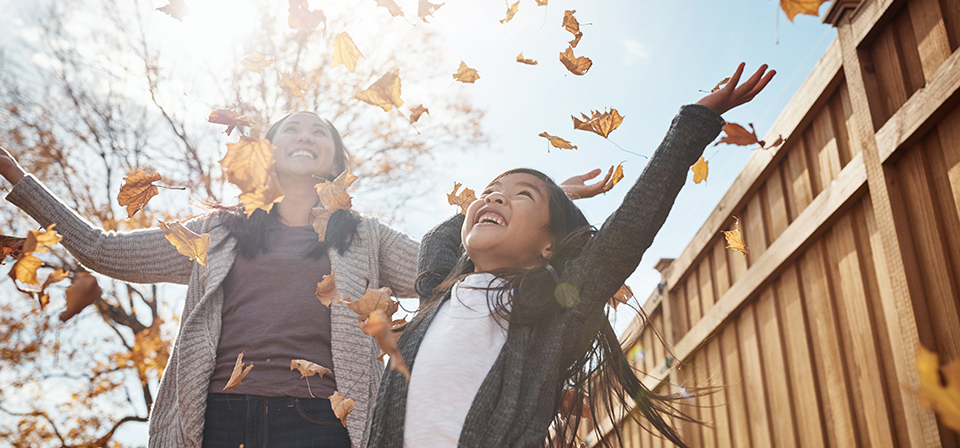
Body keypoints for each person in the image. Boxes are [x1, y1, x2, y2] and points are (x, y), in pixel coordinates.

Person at [0, 110, 613, 448]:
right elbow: (103, 250)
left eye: (321, 131)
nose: (305, 135)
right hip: (215, 416)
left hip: (325, 425)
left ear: (336, 163)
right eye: (291, 128)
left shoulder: (366, 238)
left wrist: (548, 204)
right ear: (268, 154)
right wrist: (20, 180)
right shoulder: (215, 231)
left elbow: (454, 265)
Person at [366, 63, 776, 448]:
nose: (494, 196)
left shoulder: (552, 314)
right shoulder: (438, 293)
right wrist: (549, 196)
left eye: (521, 195)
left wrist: (691, 127)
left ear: (549, 246)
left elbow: (629, 230)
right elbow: (439, 237)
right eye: (491, 191)